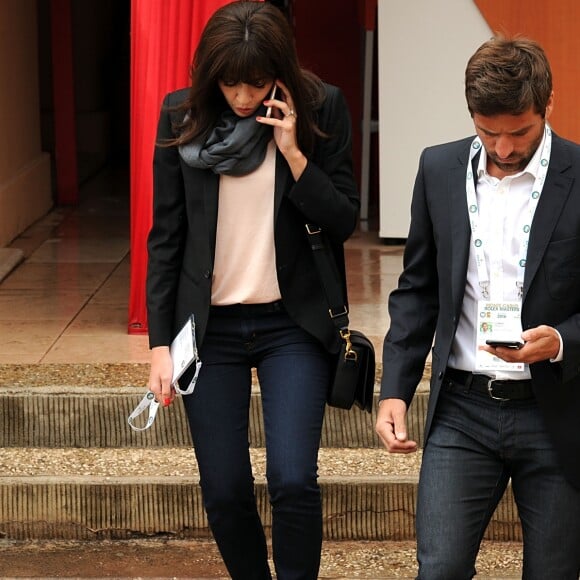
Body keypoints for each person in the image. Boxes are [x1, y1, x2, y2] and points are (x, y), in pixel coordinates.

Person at [146, 2, 359, 578]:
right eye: (230, 82)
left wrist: (293, 152)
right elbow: (166, 238)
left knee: (293, 479)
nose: (242, 97)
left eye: (256, 82)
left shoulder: (320, 109)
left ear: (280, 72)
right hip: (209, 330)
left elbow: (343, 220)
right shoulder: (181, 116)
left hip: (292, 324)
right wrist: (160, 344)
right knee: (223, 488)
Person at [376, 36, 580, 579]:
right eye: (489, 132)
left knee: (555, 572)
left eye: (520, 132)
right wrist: (393, 389)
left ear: (548, 105)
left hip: (556, 410)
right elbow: (417, 289)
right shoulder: (439, 168)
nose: (505, 148)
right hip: (462, 411)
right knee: (438, 569)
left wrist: (560, 341)